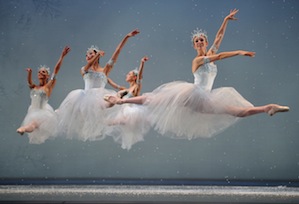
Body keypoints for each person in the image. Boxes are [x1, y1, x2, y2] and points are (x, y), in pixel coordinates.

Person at [104, 10, 289, 139]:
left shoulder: (210, 55)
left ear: (206, 42)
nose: (199, 42)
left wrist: (225, 20)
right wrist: (239, 52)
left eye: (202, 40)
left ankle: (268, 108)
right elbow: (220, 55)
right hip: (192, 94)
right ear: (194, 46)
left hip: (206, 99)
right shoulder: (197, 61)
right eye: (196, 41)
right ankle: (120, 101)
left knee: (238, 112)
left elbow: (218, 39)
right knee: (154, 99)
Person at [57, 29, 140, 141]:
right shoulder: (84, 69)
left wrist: (126, 37)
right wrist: (96, 55)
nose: (88, 56)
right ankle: (59, 113)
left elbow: (117, 52)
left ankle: (116, 102)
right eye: (86, 55)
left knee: (110, 104)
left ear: (97, 55)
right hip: (85, 98)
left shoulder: (105, 71)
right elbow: (89, 64)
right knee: (79, 115)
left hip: (100, 96)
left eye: (91, 53)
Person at [16, 46, 71, 144]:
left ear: (47, 75)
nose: (40, 73)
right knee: (33, 124)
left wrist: (62, 56)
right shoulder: (34, 87)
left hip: (43, 113)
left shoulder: (48, 86)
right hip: (33, 111)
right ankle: (24, 128)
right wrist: (29, 73)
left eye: (43, 72)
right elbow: (29, 82)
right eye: (39, 72)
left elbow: (56, 70)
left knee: (33, 124)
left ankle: (23, 129)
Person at [104, 56, 150, 150]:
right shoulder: (124, 89)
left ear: (134, 77)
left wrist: (142, 63)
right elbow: (113, 84)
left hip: (132, 112)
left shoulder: (136, 88)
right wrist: (103, 75)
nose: (126, 75)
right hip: (123, 111)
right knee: (107, 122)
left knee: (108, 122)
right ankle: (100, 121)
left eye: (129, 74)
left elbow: (140, 77)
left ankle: (103, 122)